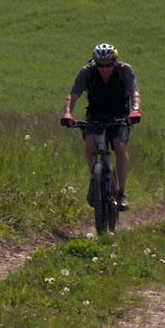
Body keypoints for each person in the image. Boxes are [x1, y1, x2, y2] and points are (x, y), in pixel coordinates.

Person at [60, 43, 142, 211]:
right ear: (95, 63)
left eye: (108, 64)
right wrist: (68, 113)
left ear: (115, 62)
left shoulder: (125, 71)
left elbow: (134, 93)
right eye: (100, 65)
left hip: (119, 115)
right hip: (95, 114)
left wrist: (135, 110)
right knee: (90, 143)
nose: (104, 69)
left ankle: (121, 193)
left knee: (119, 145)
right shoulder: (87, 72)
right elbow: (72, 95)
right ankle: (95, 180)